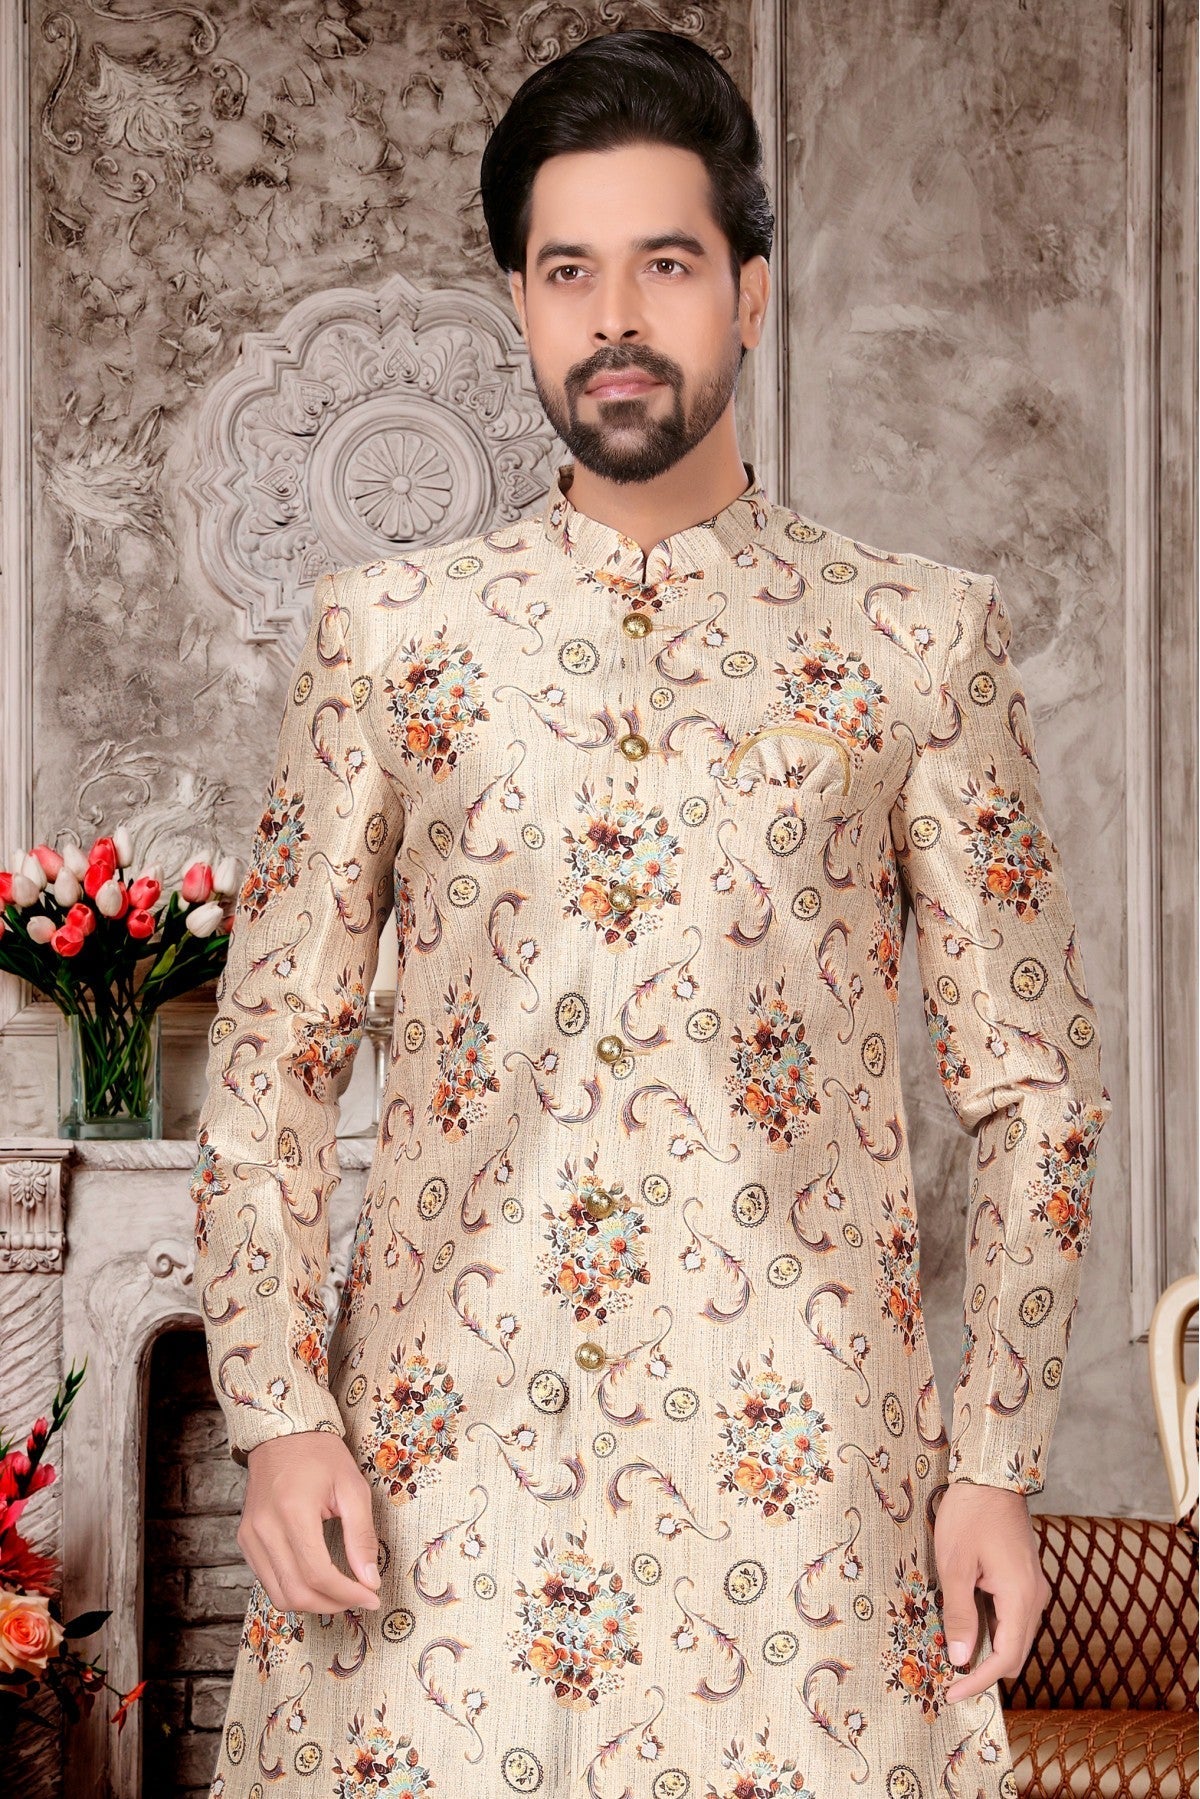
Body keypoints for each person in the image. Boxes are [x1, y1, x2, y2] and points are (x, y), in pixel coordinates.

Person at [191, 27, 1113, 1798]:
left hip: (806, 1493)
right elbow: (273, 1057)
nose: (616, 318)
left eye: (666, 265)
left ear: (750, 292)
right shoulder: (392, 641)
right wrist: (281, 1414)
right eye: (569, 272)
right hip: (442, 1484)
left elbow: (1036, 1088)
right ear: (520, 304)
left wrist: (995, 1458)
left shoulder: (913, 641)